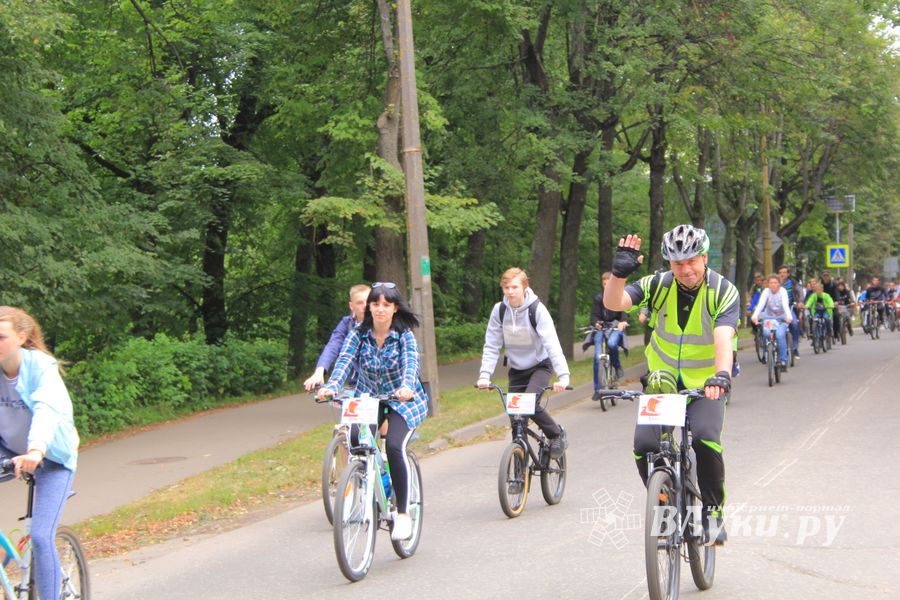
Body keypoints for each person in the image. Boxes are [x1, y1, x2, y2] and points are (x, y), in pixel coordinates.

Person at [604, 225, 739, 546]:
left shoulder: (723, 290)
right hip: (662, 384)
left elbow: (724, 336)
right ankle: (665, 505)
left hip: (707, 385)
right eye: (678, 264)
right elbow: (616, 303)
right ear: (669, 264)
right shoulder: (658, 285)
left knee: (706, 440)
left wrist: (721, 375)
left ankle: (712, 513)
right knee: (644, 447)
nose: (686, 269)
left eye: (692, 261)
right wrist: (618, 275)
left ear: (704, 257)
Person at [317, 282, 428, 541]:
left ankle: (402, 514)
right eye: (375, 304)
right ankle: (369, 482)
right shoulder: (358, 333)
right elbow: (344, 361)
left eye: (386, 305)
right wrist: (331, 386)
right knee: (356, 441)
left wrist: (406, 387)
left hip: (402, 400)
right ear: (368, 307)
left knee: (394, 447)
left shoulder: (404, 335)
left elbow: (411, 365)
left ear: (394, 308)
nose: (380, 309)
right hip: (368, 399)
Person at [0, 306, 80, 600]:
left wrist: (36, 449)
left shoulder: (41, 367)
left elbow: (47, 409)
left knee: (41, 537)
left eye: (0, 337)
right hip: (9, 453)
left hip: (52, 458)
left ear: (22, 337)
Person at [477, 268, 569, 458]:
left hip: (539, 366)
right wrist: (485, 375)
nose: (510, 291)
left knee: (528, 404)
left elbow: (552, 344)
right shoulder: (499, 310)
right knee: (516, 421)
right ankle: (519, 473)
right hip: (517, 369)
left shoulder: (537, 310)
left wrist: (563, 376)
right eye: (506, 287)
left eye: (514, 287)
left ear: (525, 287)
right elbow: (492, 344)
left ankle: (557, 434)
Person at [303, 284, 371, 391]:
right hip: (355, 386)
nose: (365, 306)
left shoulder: (381, 324)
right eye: (359, 302)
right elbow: (333, 345)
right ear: (351, 305)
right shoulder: (346, 324)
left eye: (368, 301)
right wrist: (319, 372)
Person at [588, 272, 629, 395]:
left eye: (609, 283)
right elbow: (593, 315)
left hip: (615, 328)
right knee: (597, 357)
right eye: (604, 284)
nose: (606, 286)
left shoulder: (620, 296)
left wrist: (623, 322)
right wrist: (596, 323)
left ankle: (617, 367)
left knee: (611, 344)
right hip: (602, 329)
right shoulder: (599, 298)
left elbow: (624, 314)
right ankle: (597, 390)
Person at [751, 275, 793, 369]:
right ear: (768, 284)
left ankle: (783, 360)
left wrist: (789, 316)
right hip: (769, 317)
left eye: (775, 283)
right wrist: (755, 315)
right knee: (766, 333)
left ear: (779, 284)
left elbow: (785, 304)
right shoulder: (766, 292)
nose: (773, 285)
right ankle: (767, 354)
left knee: (780, 335)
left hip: (782, 317)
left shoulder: (783, 291)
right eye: (771, 283)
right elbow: (761, 304)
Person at [777, 265, 803, 360]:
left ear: (788, 274)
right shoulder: (775, 283)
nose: (782, 274)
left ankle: (795, 348)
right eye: (780, 273)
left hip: (790, 307)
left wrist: (800, 302)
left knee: (794, 324)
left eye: (784, 272)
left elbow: (800, 292)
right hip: (778, 309)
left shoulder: (792, 282)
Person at [820, 271, 840, 339]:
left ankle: (835, 332)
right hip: (822, 303)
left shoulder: (833, 284)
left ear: (829, 276)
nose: (825, 277)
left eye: (827, 275)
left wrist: (837, 301)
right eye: (824, 275)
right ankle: (815, 336)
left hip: (832, 303)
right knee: (814, 317)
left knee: (836, 316)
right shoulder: (819, 284)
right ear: (822, 276)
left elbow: (837, 293)